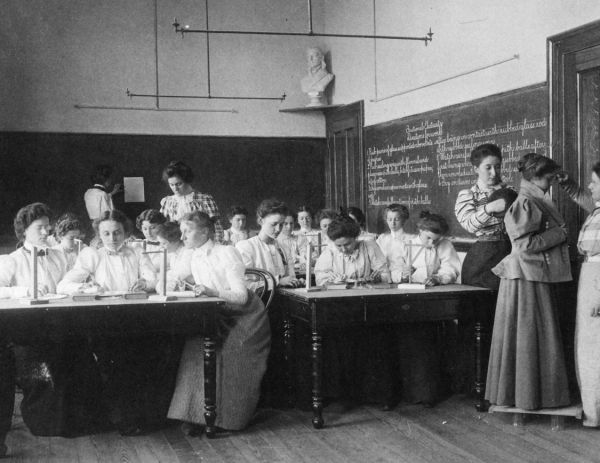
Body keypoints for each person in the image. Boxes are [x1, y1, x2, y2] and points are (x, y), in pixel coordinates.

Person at [58, 210, 179, 435]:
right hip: (105, 320)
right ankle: (125, 420)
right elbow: (64, 285)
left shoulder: (136, 251)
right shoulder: (91, 255)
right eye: (106, 234)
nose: (112, 238)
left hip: (138, 316)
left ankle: (146, 417)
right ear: (99, 234)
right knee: (117, 365)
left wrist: (144, 283)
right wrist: (88, 288)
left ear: (125, 232)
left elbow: (152, 277)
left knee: (146, 361)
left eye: (117, 233)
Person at [0, 203, 105, 437]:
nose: (47, 233)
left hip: (62, 326)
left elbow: (69, 282)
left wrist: (84, 286)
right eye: (40, 228)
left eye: (48, 227)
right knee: (45, 371)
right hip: (29, 332)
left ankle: (78, 422)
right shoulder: (12, 260)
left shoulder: (59, 256)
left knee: (81, 362)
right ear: (24, 230)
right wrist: (25, 291)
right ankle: (47, 423)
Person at [166, 211, 271, 434]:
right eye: (182, 231)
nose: (182, 236)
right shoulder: (189, 254)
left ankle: (227, 419)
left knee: (229, 356)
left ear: (205, 231)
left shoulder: (227, 252)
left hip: (245, 317)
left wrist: (211, 291)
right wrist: (163, 284)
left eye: (188, 230)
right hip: (213, 314)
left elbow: (241, 297)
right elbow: (169, 280)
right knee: (194, 352)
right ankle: (198, 416)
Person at [485, 153, 571, 410]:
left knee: (528, 334)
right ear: (535, 177)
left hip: (528, 274)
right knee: (530, 334)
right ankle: (529, 396)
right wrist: (559, 234)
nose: (551, 183)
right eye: (548, 178)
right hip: (526, 276)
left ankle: (528, 395)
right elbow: (524, 245)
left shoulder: (532, 199)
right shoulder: (526, 202)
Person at [558, 162, 600, 426]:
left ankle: (596, 415)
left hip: (597, 286)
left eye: (595, 181)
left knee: (594, 351)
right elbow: (586, 198)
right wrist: (569, 185)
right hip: (590, 281)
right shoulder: (597, 210)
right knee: (589, 348)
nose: (591, 186)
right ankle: (593, 411)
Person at [455, 144, 515, 289]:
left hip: (510, 253)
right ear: (476, 169)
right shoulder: (468, 195)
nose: (494, 173)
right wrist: (490, 208)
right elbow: (469, 224)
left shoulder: (511, 192)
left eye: (498, 167)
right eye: (488, 167)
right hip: (482, 259)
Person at [236, 199, 303, 288]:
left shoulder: (284, 248)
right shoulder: (246, 247)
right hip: (259, 300)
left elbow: (290, 278)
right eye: (274, 224)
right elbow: (245, 286)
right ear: (260, 221)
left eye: (281, 224)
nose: (278, 229)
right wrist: (277, 281)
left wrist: (296, 282)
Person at [314, 215, 390, 286]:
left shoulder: (369, 247)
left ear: (355, 237)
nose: (343, 249)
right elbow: (320, 278)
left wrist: (379, 278)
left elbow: (385, 274)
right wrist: (330, 280)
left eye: (347, 244)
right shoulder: (330, 251)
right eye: (339, 246)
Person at [159, 161, 224, 242]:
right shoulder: (167, 202)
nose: (175, 188)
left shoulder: (204, 199)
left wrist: (216, 247)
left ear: (187, 180)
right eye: (171, 185)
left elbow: (217, 227)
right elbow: (162, 229)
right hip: (177, 246)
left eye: (179, 184)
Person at [398, 211, 461, 286]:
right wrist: (402, 275)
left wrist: (438, 278)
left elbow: (451, 269)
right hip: (410, 287)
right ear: (420, 230)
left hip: (436, 288)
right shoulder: (406, 245)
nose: (432, 244)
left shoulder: (445, 244)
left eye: (436, 240)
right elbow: (394, 270)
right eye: (428, 238)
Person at [376, 204, 415, 275]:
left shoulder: (411, 239)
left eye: (397, 219)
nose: (393, 223)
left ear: (403, 220)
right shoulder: (382, 239)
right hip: (385, 279)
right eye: (390, 219)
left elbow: (412, 265)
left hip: (404, 278)